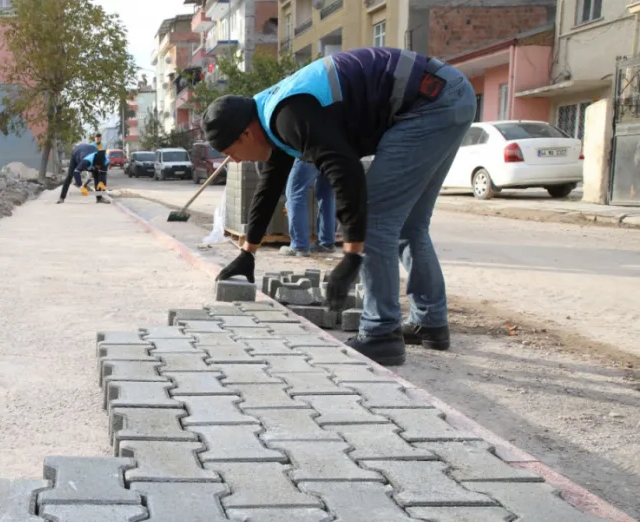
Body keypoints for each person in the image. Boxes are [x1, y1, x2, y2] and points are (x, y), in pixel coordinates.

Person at [204, 47, 475, 366]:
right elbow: (269, 186)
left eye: (230, 151)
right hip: (446, 94)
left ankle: (381, 333)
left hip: (427, 103)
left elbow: (345, 172)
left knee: (376, 222)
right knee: (409, 226)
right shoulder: (269, 115)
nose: (233, 160)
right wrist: (247, 253)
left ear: (246, 133)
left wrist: (351, 254)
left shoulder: (288, 115)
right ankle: (429, 322)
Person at [281, 160, 337, 257]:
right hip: (338, 151)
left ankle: (299, 246)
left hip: (313, 149)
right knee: (326, 193)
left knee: (295, 192)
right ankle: (326, 243)